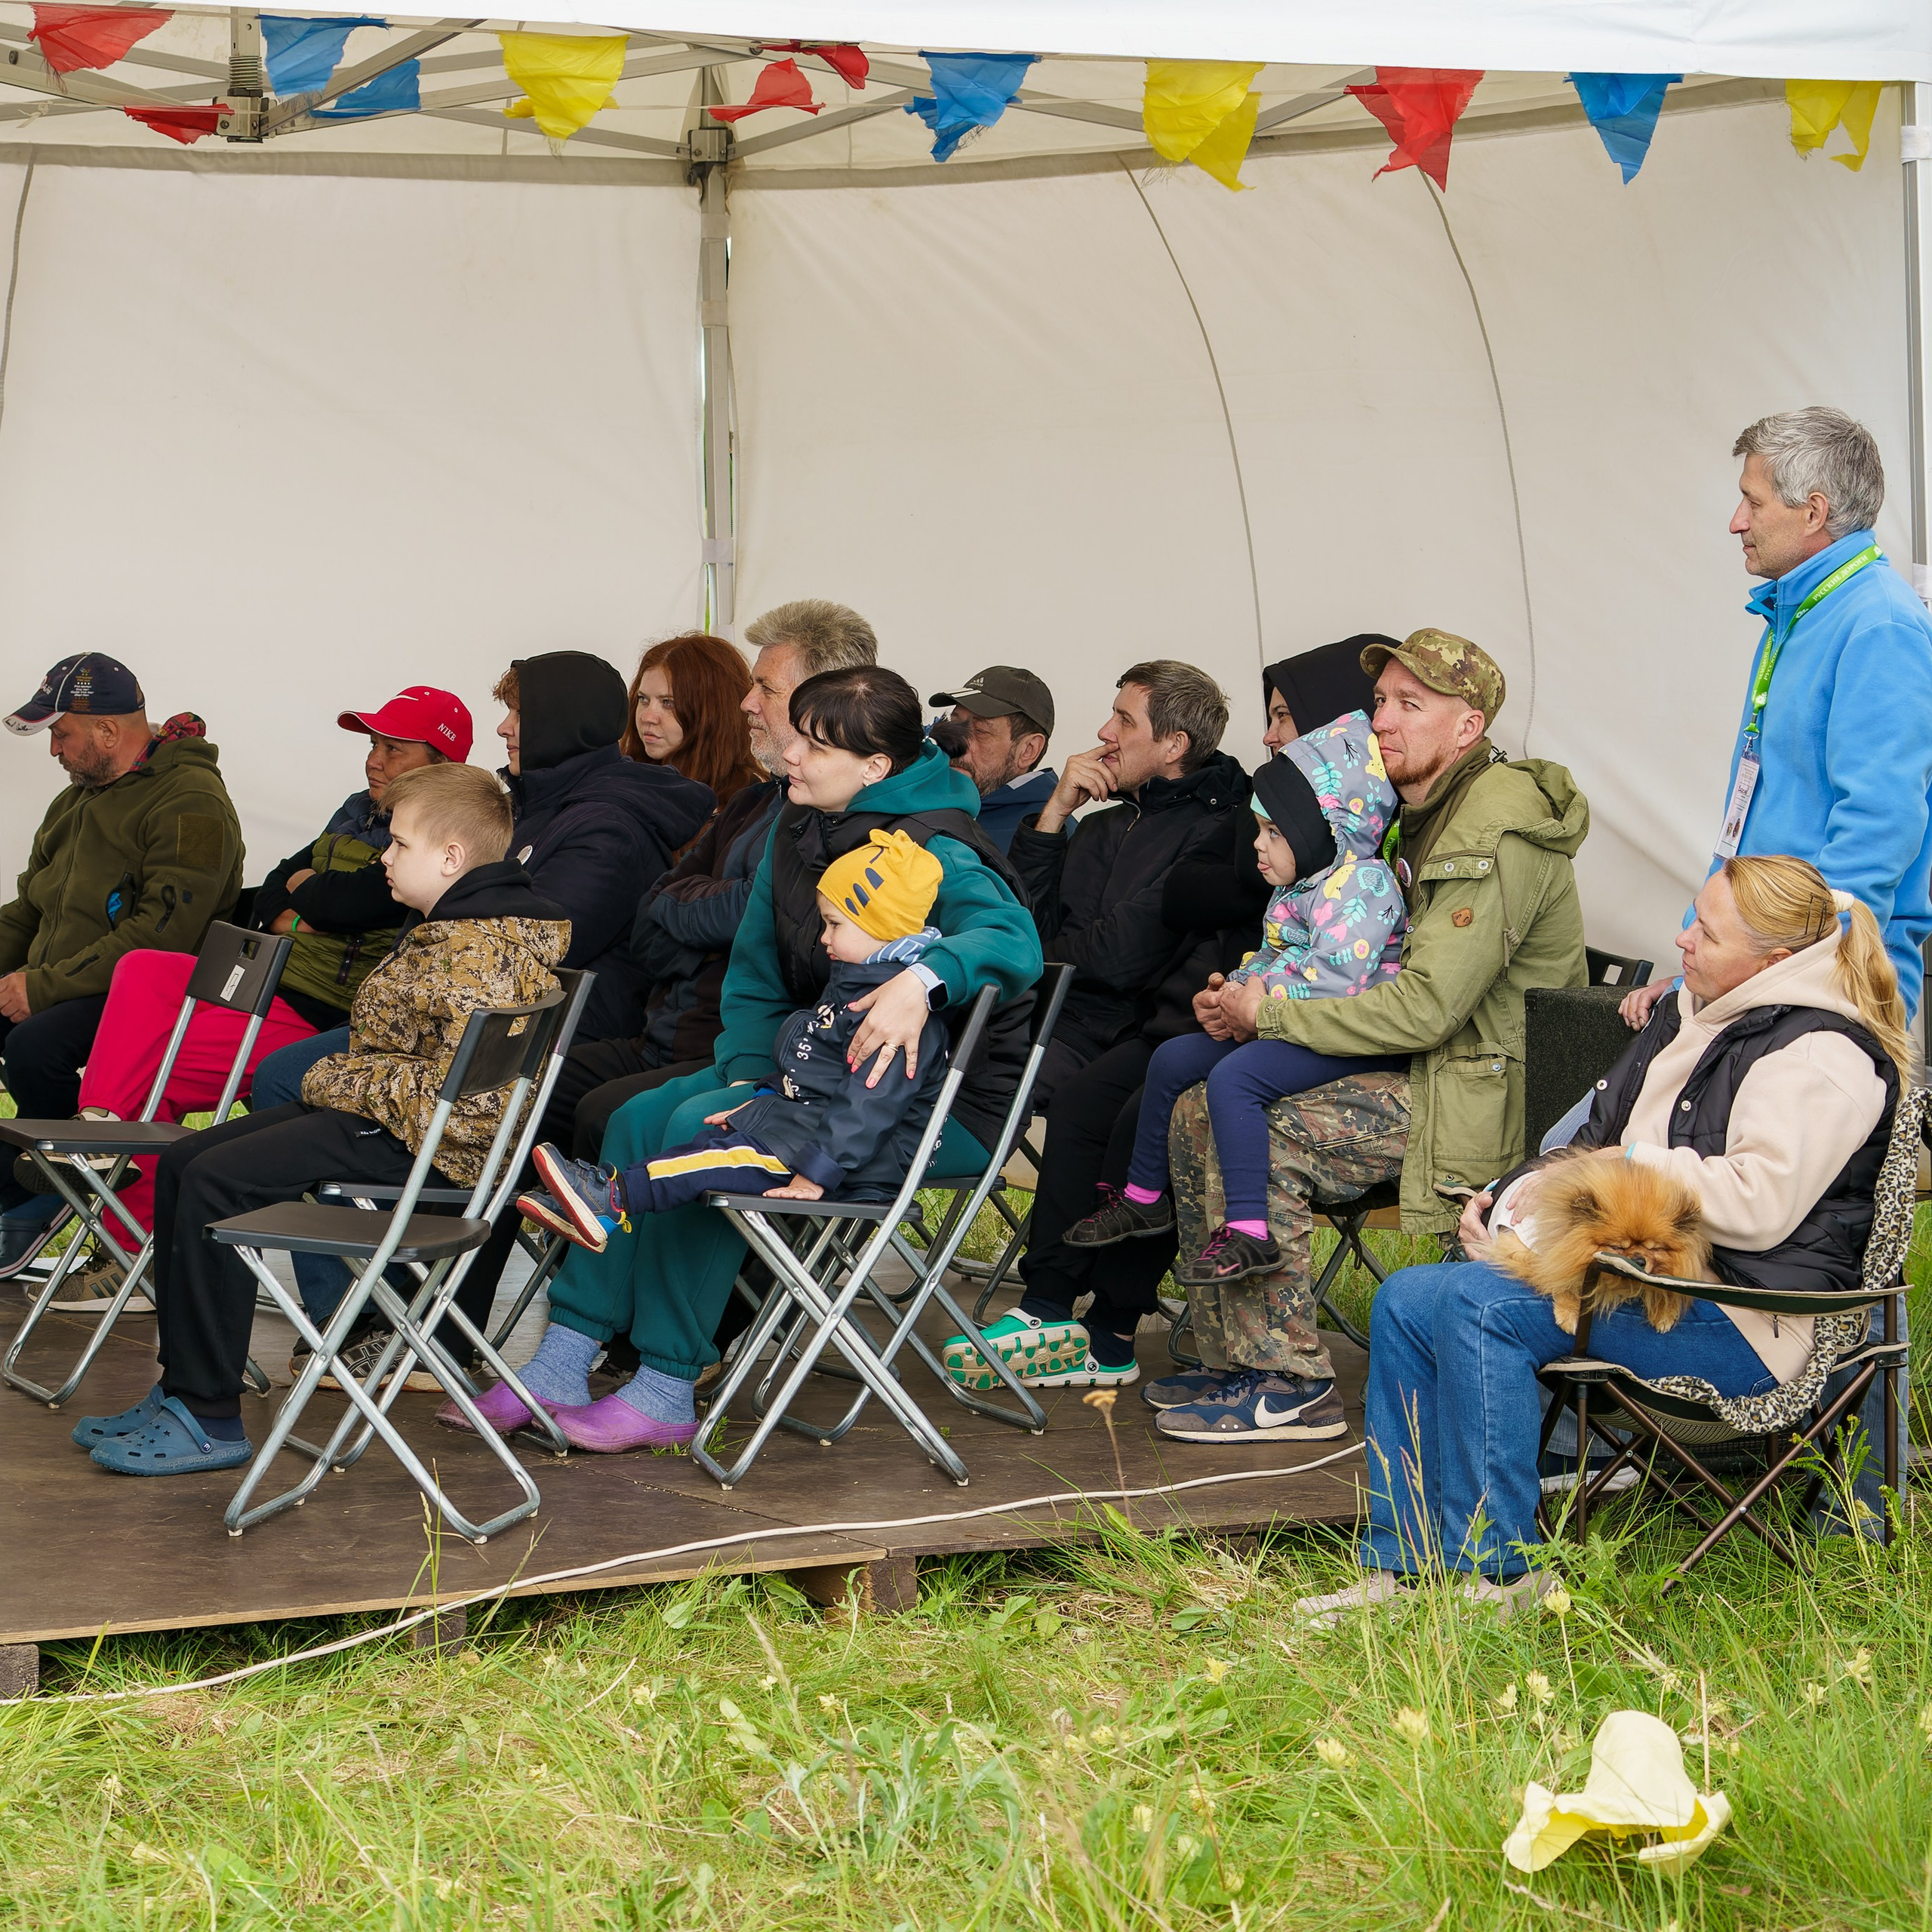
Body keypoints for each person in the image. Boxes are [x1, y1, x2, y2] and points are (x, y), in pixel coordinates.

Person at [450, 664, 1043, 1454]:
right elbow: (756, 977)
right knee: (635, 1119)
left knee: (702, 1131)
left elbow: (1013, 942)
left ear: (874, 767)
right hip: (815, 1073)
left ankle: (666, 1383)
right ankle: (563, 1358)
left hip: (927, 1106)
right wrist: (749, 1080)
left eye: (815, 746)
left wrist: (921, 981)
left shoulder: (937, 843)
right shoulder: (798, 828)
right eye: (797, 737)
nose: (790, 754)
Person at [1297, 856, 1906, 1620]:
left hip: (1750, 1320)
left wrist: (1633, 1164)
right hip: (1647, 1281)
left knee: (1480, 1307)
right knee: (1409, 1298)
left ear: (1773, 960)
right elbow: (1591, 1142)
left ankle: (1499, 1576)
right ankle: (1407, 1562)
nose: (1683, 939)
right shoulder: (1692, 1012)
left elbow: (1758, 1206)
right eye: (1693, 916)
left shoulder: (1823, 1054)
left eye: (1708, 932)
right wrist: (1506, 1200)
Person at [1151, 629, 1589, 1444]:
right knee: (1197, 1105)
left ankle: (1290, 1384)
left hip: (1477, 1094)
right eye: (1381, 701)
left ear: (1468, 728)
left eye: (1409, 705)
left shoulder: (1490, 825)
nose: (1381, 720)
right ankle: (1239, 1360)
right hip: (1425, 1066)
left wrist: (1268, 1015)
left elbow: (1427, 1009)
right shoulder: (1414, 812)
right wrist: (1250, 991)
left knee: (1266, 1129)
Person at [72, 763, 568, 1477]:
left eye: (400, 844)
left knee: (216, 1180)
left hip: (427, 1149)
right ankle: (182, 1388)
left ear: (451, 857)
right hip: (393, 1122)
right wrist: (350, 1080)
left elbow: (469, 1105)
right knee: (186, 1160)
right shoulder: (454, 929)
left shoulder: (479, 952)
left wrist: (334, 1078)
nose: (385, 857)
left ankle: (210, 1415)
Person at [950, 638, 1389, 1392]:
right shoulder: (1107, 825)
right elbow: (1024, 925)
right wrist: (1053, 817)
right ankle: (1049, 1306)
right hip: (1167, 1013)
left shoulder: (1255, 824)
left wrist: (1050, 954)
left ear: (1175, 744)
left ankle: (1110, 1328)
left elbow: (1124, 949)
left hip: (1204, 1022)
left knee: (1145, 1109)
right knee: (1095, 1098)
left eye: (1124, 720)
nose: (1104, 734)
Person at [24, 687, 472, 1309]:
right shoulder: (357, 810)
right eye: (373, 744)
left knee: (148, 1069)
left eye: (394, 749)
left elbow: (352, 904)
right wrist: (305, 906)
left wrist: (308, 902)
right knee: (145, 969)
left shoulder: (442, 835)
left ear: (442, 763)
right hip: (271, 986)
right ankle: (102, 1137)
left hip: (323, 1014)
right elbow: (271, 889)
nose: (375, 759)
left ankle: (130, 1244)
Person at [1061, 710, 1409, 1286]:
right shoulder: (1297, 888)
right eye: (1259, 829)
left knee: (1236, 1078)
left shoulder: (1364, 885)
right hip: (1287, 1024)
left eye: (1273, 833)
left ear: (1324, 828)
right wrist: (1231, 991)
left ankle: (1250, 1230)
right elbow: (1271, 957)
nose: (1258, 846)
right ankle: (1144, 1197)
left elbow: (1338, 981)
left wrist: (1260, 998)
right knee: (1173, 1057)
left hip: (1347, 1040)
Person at [1623, 408, 1932, 1030]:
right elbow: (1755, 827)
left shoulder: (1880, 625)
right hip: (1762, 976)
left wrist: (1802, 979)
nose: (1736, 521)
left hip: (1819, 988)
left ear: (1813, 512)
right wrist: (1700, 966)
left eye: (1753, 502)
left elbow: (1878, 828)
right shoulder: (1800, 612)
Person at [516, 827, 949, 1262]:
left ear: (881, 928)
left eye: (835, 924)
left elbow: (867, 1110)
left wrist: (817, 1174)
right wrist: (758, 1106)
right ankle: (602, 1204)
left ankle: (612, 1199)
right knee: (702, 1145)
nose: (823, 937)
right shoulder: (852, 986)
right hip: (807, 1132)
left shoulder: (895, 1017)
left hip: (853, 1163)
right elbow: (811, 1067)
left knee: (705, 1163)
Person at [0, 654, 244, 1269]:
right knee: (29, 1038)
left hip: (150, 996)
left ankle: (49, 1188)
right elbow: (28, 909)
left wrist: (43, 986)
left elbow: (163, 937)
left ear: (107, 730)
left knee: (35, 1047)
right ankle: (30, 1178)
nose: (53, 750)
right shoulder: (75, 801)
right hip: (69, 980)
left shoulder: (193, 800)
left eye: (61, 734)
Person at [620, 630, 764, 812]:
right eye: (643, 699)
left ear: (712, 712)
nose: (647, 717)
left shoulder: (746, 802)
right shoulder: (623, 778)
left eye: (668, 703)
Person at [927, 666, 1059, 854]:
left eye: (980, 731)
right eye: (954, 724)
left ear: (1028, 750)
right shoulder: (924, 800)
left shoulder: (1050, 837)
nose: (956, 742)